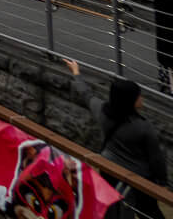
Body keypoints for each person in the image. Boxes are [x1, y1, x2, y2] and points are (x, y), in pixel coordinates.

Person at [65, 58, 168, 209]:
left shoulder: (102, 111)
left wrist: (76, 72)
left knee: (113, 206)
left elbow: (85, 94)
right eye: (138, 96)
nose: (142, 98)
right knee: (148, 210)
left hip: (109, 169)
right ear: (130, 100)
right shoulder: (142, 126)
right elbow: (156, 158)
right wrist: (162, 183)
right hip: (138, 179)